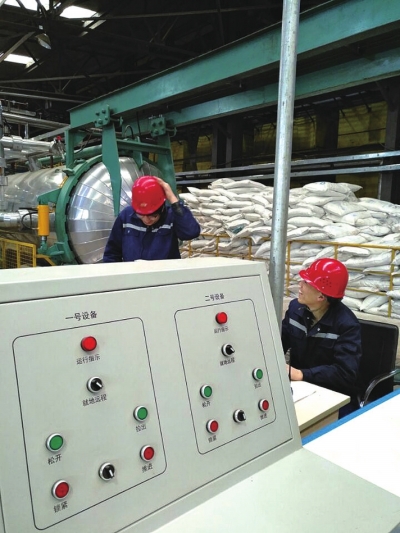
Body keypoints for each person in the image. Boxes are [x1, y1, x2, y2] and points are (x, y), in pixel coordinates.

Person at [281, 258, 362, 413]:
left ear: (321, 296)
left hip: (333, 395)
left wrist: (301, 374)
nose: (300, 285)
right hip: (298, 388)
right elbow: (279, 343)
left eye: (306, 283)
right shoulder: (295, 309)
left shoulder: (347, 325)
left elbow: (344, 373)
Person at [103, 175, 200, 262]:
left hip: (164, 275)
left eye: (153, 216)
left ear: (162, 208)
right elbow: (112, 253)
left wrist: (172, 199)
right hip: (133, 275)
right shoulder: (126, 216)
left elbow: (191, 232)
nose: (146, 220)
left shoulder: (171, 217)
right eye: (141, 215)